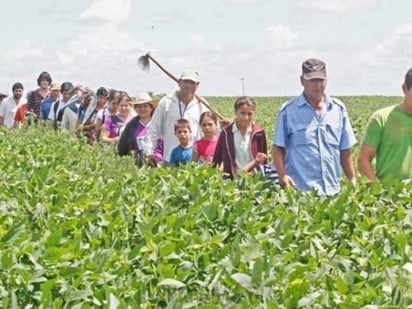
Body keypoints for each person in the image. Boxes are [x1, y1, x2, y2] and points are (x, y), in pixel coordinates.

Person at [272, 58, 356, 195]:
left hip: (332, 191)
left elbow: (345, 150)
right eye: (312, 80)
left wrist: (352, 179)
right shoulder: (288, 111)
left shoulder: (338, 109)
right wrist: (282, 176)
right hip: (300, 190)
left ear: (326, 80)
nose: (317, 85)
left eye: (321, 80)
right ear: (302, 81)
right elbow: (277, 149)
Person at [358, 67, 412, 182]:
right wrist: (377, 191)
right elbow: (364, 160)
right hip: (390, 196)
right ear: (404, 89)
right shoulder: (382, 118)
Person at [146, 69, 210, 164]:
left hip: (195, 161)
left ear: (197, 85)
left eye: (192, 82)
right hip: (170, 160)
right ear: (179, 82)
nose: (189, 85)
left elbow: (212, 131)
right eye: (186, 82)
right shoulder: (166, 102)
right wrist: (150, 152)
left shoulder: (203, 105)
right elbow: (154, 128)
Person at [213, 96, 268, 178]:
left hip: (254, 179)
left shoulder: (258, 132)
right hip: (232, 180)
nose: (246, 117)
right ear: (235, 112)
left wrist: (255, 172)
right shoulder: (226, 133)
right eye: (242, 113)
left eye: (250, 114)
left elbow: (263, 158)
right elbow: (217, 158)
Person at [118, 93, 163, 166]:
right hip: (137, 164)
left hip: (159, 163)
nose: (142, 109)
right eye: (139, 107)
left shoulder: (159, 124)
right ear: (135, 109)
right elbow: (124, 147)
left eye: (145, 106)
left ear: (151, 108)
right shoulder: (130, 127)